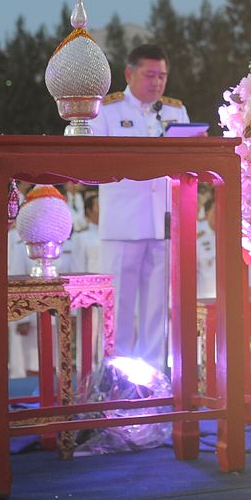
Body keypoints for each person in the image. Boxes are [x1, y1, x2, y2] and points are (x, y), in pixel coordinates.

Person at [87, 44, 188, 369]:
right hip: (123, 224)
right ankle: (113, 374)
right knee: (117, 306)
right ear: (129, 73)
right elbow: (92, 160)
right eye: (150, 75)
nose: (157, 82)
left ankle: (153, 375)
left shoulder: (175, 112)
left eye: (163, 76)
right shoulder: (107, 111)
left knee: (157, 307)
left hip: (163, 223)